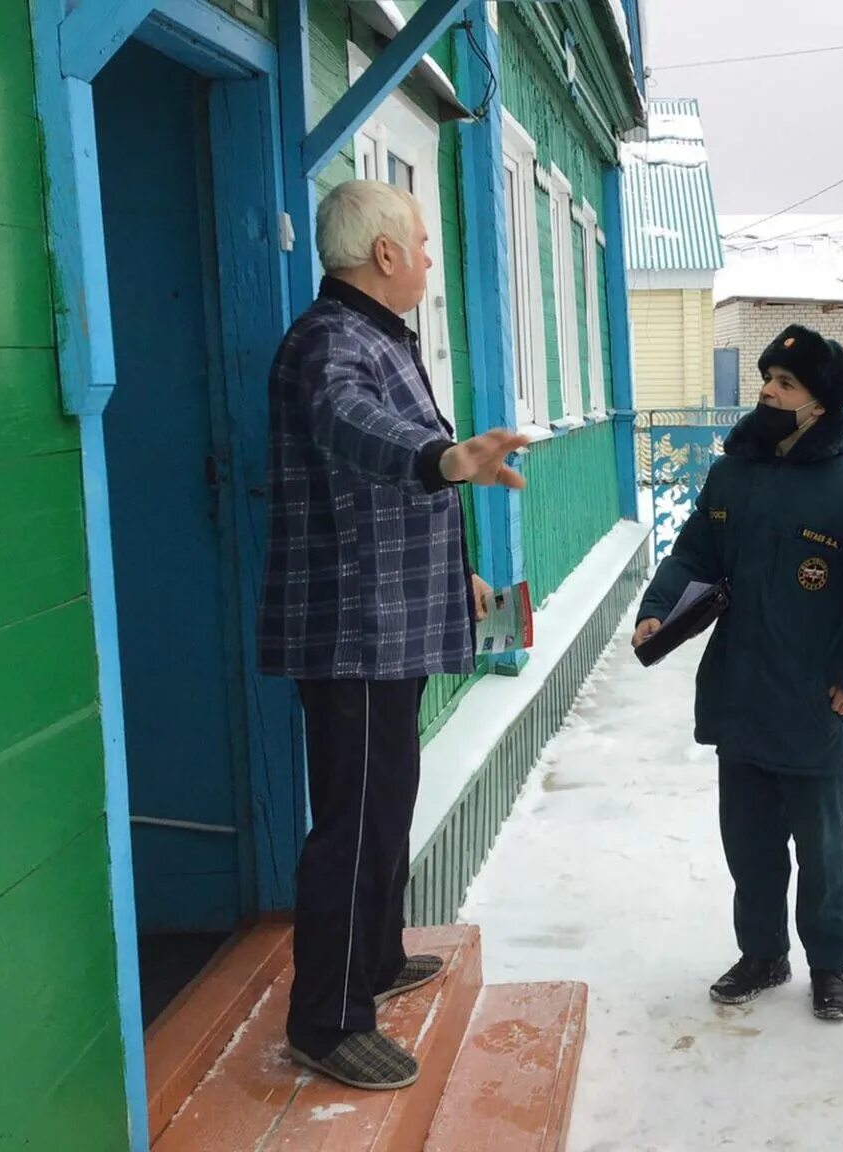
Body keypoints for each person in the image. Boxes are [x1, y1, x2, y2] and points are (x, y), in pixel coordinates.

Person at [259, 180, 527, 1091]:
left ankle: (371, 958)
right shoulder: (333, 344)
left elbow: (377, 492)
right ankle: (328, 1023)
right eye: (419, 243)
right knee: (353, 825)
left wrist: (458, 571)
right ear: (381, 254)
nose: (426, 259)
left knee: (383, 809)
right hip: (354, 629)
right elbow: (352, 427)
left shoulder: (375, 337)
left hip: (391, 621)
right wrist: (440, 459)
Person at [633, 325, 843, 1021]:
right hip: (740, 692)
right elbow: (693, 555)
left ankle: (831, 963)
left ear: (820, 404)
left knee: (823, 848)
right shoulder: (732, 473)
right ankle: (762, 952)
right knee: (748, 843)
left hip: (812, 698)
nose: (769, 392)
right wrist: (660, 609)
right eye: (767, 379)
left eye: (786, 384)